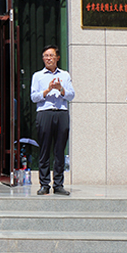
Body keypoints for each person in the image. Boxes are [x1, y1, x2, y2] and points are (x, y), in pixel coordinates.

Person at [30, 45, 75, 195]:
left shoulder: (65, 75)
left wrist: (60, 89)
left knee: (59, 150)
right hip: (44, 113)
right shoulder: (38, 76)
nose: (48, 58)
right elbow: (34, 97)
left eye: (51, 55)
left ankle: (58, 184)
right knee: (44, 149)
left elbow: (71, 95)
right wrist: (48, 90)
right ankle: (44, 184)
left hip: (61, 112)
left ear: (57, 58)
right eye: (46, 56)